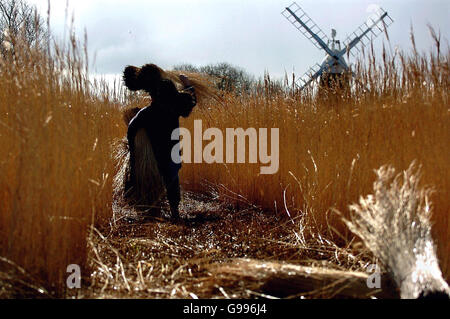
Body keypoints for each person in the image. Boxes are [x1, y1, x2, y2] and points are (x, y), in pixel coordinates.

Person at [122, 63, 197, 219]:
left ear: (152, 95)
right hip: (171, 152)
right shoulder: (173, 108)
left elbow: (131, 129)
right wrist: (188, 85)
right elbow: (190, 102)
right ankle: (174, 211)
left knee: (158, 179)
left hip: (156, 155)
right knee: (171, 178)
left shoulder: (146, 113)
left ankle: (153, 210)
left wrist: (132, 149)